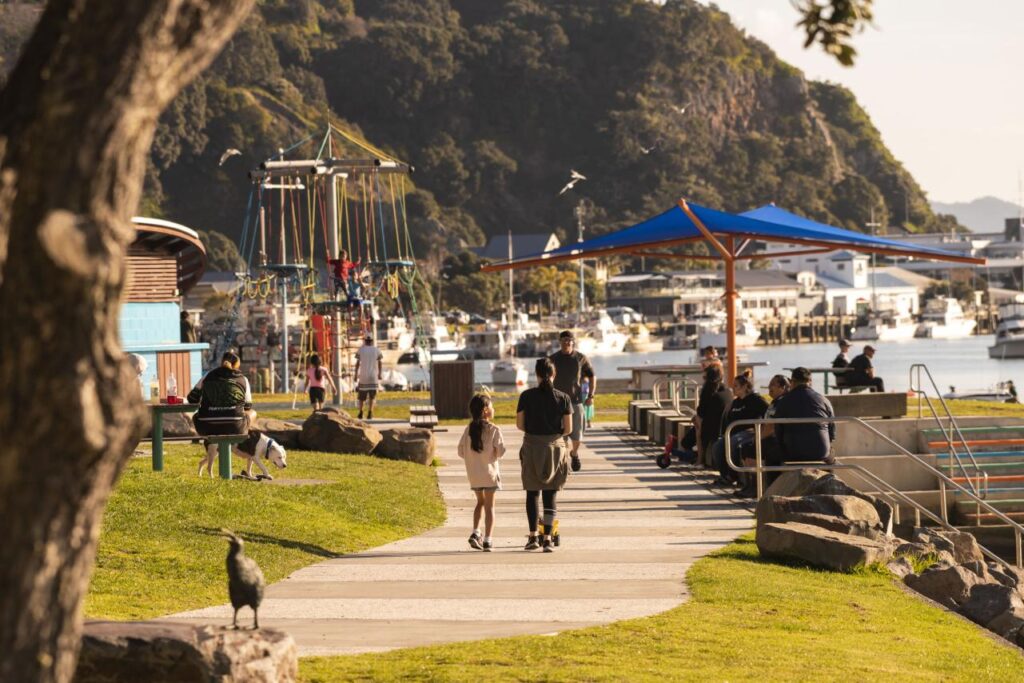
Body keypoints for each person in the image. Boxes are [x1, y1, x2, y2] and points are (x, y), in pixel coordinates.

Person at [516, 358, 572, 552]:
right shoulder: (563, 397)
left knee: (532, 493)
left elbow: (520, 425)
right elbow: (568, 428)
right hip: (555, 448)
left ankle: (532, 537)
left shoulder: (526, 396)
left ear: (536, 375)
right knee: (550, 495)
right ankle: (547, 538)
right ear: (554, 374)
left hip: (532, 446)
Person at [457, 394, 505, 551]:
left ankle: (476, 532)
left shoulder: (468, 429)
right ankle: (488, 540)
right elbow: (500, 452)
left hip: (474, 475)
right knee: (490, 506)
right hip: (489, 475)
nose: (493, 409)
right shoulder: (494, 430)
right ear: (486, 411)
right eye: (491, 406)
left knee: (480, 503)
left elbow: (460, 451)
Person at [735, 374, 791, 497]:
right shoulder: (774, 402)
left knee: (751, 449)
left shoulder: (782, 402)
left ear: (783, 387)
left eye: (773, 385)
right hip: (770, 438)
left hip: (778, 440)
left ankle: (756, 487)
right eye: (769, 384)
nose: (769, 387)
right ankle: (750, 485)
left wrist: (758, 440)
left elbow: (771, 427)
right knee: (746, 448)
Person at [711, 370, 769, 487]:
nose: (733, 388)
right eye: (733, 386)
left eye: (736, 386)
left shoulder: (756, 400)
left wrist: (760, 429)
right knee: (718, 445)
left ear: (745, 386)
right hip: (733, 432)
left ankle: (734, 475)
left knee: (734, 442)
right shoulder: (735, 402)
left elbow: (768, 413)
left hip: (750, 432)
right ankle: (725, 475)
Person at [548, 330, 595, 472]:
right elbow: (546, 378)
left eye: (569, 340)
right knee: (560, 434)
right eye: (564, 340)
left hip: (576, 401)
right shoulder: (553, 359)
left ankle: (574, 454)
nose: (567, 343)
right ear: (560, 342)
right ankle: (563, 460)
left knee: (577, 434)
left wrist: (591, 396)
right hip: (557, 403)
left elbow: (592, 376)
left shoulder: (581, 358)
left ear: (573, 342)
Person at [773, 367, 836, 464]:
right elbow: (832, 432)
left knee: (771, 452)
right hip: (820, 453)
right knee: (831, 454)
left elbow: (778, 431)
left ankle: (773, 479)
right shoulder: (823, 400)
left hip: (793, 454)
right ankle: (828, 477)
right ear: (810, 381)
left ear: (792, 382)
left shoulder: (783, 402)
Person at [187, 350, 254, 436]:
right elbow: (248, 406)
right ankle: (239, 442)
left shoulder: (208, 375)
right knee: (252, 413)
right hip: (235, 427)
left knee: (196, 416)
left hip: (206, 427)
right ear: (237, 365)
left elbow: (192, 399)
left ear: (221, 362)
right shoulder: (243, 379)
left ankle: (210, 446)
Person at [354, 335, 382, 420]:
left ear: (365, 341)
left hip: (363, 377)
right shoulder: (376, 350)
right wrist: (379, 374)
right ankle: (370, 412)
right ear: (372, 341)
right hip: (373, 377)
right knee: (372, 397)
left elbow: (357, 364)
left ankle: (361, 412)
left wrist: (355, 374)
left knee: (361, 397)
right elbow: (380, 363)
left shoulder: (361, 350)